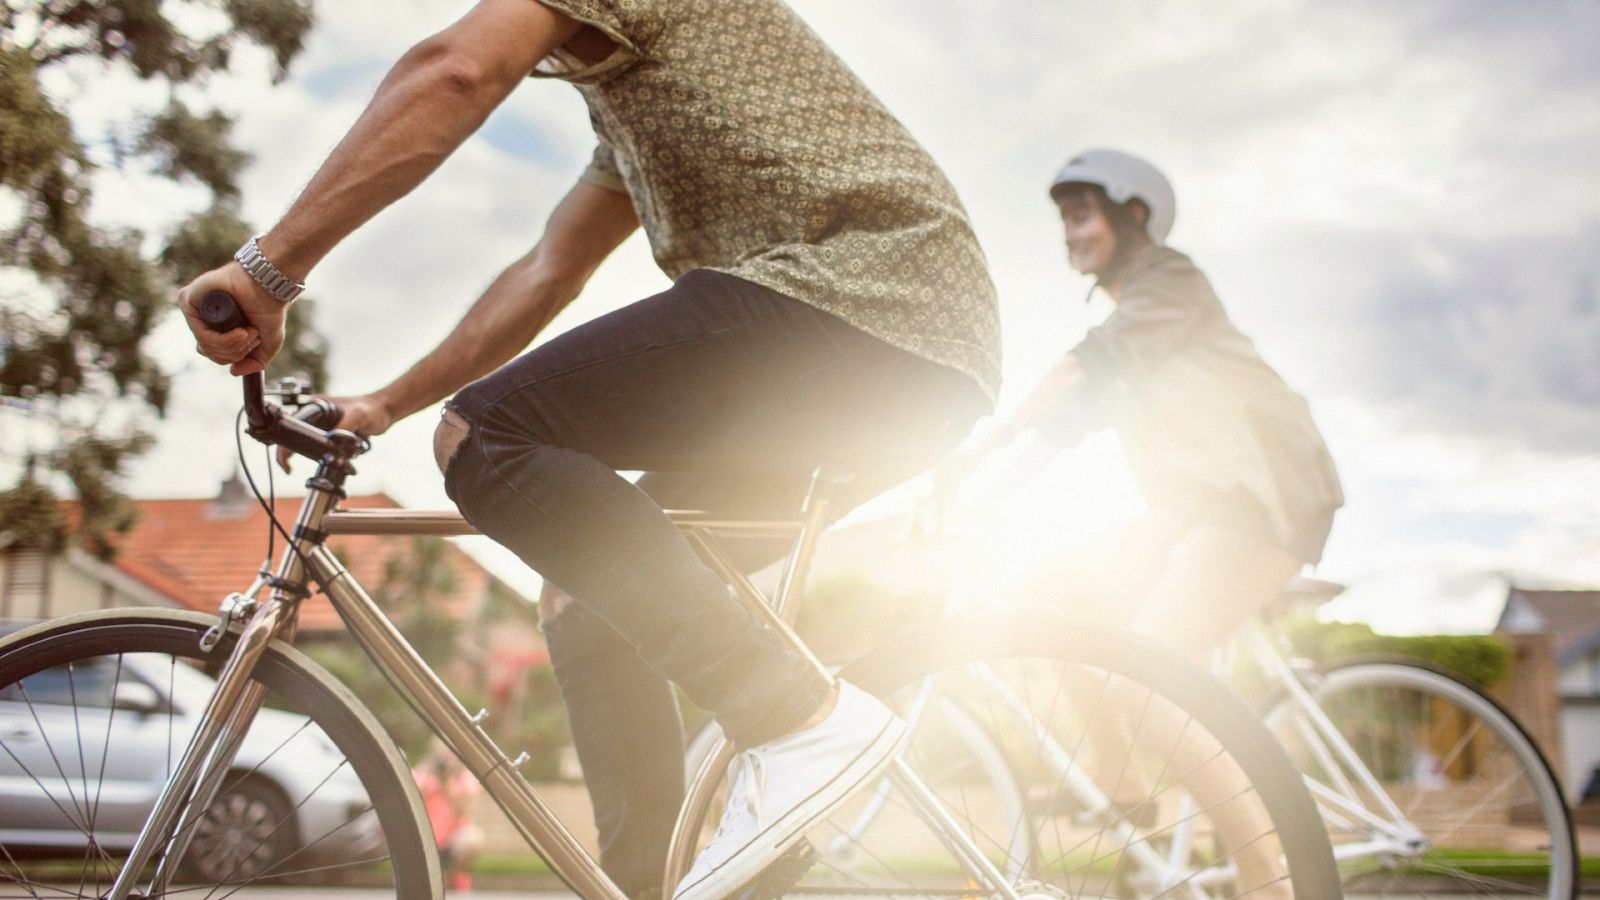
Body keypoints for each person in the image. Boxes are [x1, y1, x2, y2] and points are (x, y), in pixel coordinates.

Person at [179, 2, 999, 898]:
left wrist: (266, 269)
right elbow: (547, 272)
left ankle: (798, 717)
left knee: (485, 435)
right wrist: (383, 404)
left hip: (867, 302)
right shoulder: (628, 111)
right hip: (902, 358)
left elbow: (456, 72)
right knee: (584, 588)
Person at [956, 148, 1342, 661]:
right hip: (1204, 505)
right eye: (1064, 224)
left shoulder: (1169, 280)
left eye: (1081, 217)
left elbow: (1083, 365)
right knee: (1064, 619)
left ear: (1132, 213)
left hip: (1267, 491)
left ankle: (1172, 726)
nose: (1070, 236)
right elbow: (1058, 429)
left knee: (1145, 682)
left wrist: (980, 447)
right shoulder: (1136, 339)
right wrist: (975, 504)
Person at [412, 741, 485, 893]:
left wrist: (447, 783)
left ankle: (457, 874)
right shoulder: (425, 772)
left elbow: (463, 811)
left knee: (473, 840)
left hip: (453, 837)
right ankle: (434, 878)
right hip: (425, 834)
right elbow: (411, 801)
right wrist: (428, 774)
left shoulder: (464, 777)